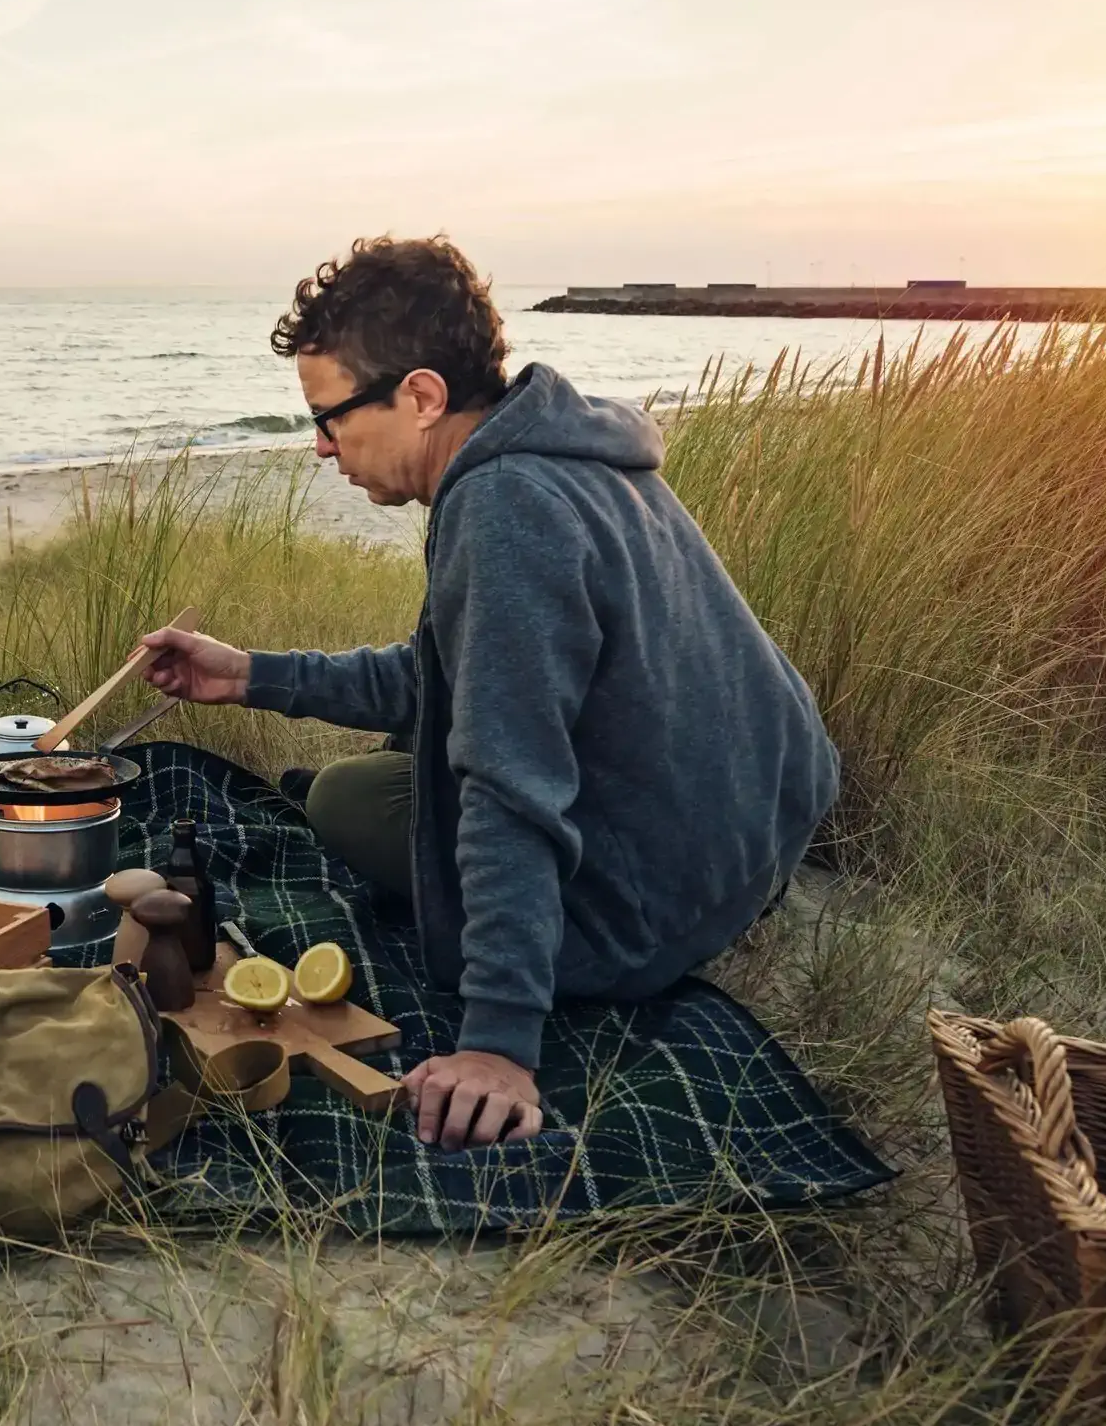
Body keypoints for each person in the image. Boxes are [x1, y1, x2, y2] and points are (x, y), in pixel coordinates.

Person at [139, 236, 838, 1152]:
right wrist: (250, 675)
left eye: (331, 416)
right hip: (756, 836)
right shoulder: (568, 446)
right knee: (401, 761)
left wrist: (500, 1045)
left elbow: (512, 786)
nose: (318, 448)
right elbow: (456, 675)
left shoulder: (504, 510)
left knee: (352, 797)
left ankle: (491, 921)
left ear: (421, 397)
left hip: (652, 906)